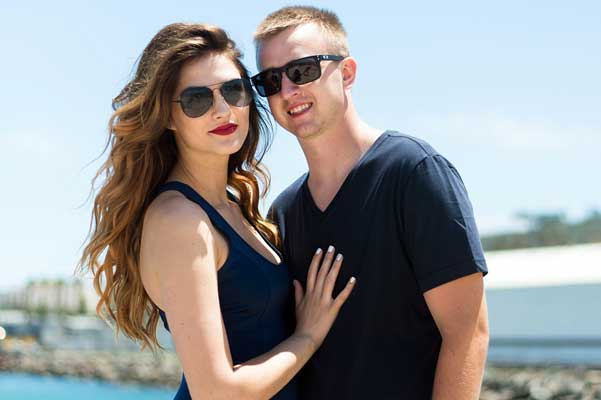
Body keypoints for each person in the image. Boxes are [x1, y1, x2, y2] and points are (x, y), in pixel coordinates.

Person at [78, 23, 356, 400]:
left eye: (233, 91)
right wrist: (307, 336)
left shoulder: (233, 209)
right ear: (167, 117)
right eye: (197, 100)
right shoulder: (180, 221)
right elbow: (215, 392)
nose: (223, 110)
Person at [253, 6, 490, 400]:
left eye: (303, 70)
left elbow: (467, 334)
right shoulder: (284, 212)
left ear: (346, 73)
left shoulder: (415, 173)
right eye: (271, 80)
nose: (288, 90)